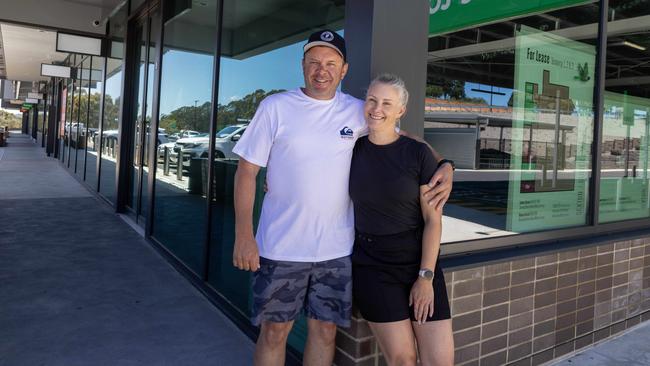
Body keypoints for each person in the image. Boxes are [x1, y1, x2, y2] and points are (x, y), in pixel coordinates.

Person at [231, 30, 454, 366]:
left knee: (325, 334)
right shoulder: (275, 107)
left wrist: (445, 164)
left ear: (344, 69)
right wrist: (244, 236)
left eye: (331, 63)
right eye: (314, 62)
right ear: (303, 65)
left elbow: (401, 135)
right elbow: (246, 172)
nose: (322, 70)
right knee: (274, 333)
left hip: (335, 253)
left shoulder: (356, 111)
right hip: (280, 247)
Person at [349, 74, 454, 366]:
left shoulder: (417, 153)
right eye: (372, 100)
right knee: (403, 360)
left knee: (440, 361)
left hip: (418, 262)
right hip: (372, 266)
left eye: (386, 103)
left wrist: (425, 277)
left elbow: (433, 221)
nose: (376, 108)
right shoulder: (351, 151)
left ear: (400, 111)